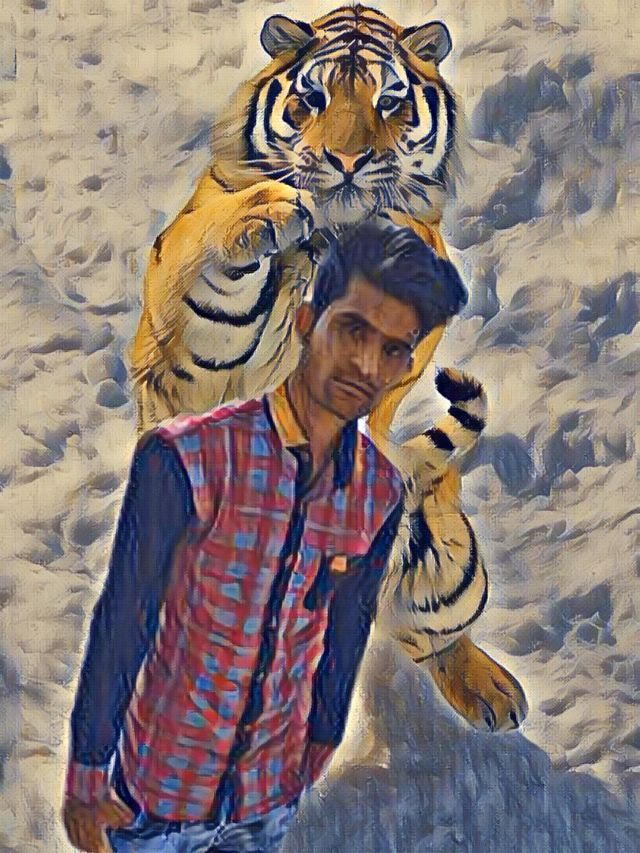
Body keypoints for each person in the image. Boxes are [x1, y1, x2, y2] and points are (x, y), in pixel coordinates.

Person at [62, 221, 468, 852]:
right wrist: (88, 772)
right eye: (353, 330)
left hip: (265, 806)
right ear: (307, 321)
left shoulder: (379, 492)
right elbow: (124, 620)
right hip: (153, 802)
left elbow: (347, 627)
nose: (366, 364)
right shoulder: (186, 458)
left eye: (393, 349)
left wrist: (322, 739)